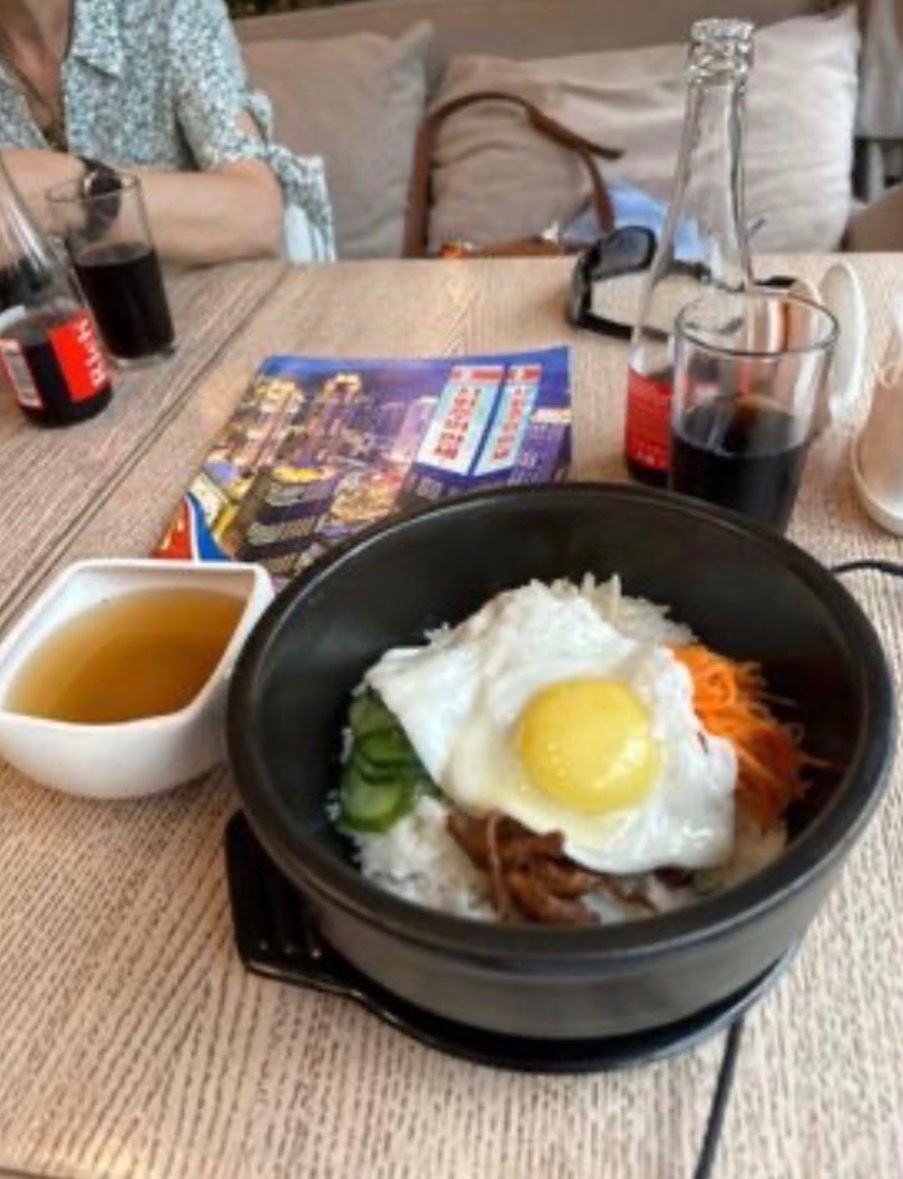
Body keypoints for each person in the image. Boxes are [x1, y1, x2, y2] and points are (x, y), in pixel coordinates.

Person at [0, 0, 335, 265]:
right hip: (51, 328)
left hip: (214, 308)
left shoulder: (167, 8)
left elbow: (257, 215)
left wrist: (79, 192)